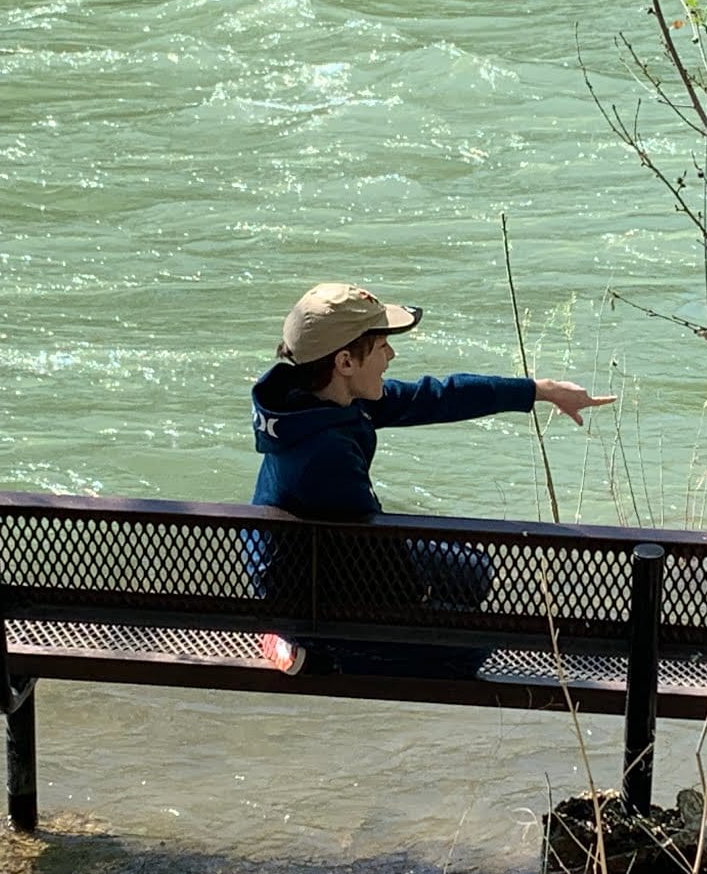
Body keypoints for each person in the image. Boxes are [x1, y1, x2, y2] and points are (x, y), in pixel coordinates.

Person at [247, 281, 614, 675]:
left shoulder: (314, 401)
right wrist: (428, 607)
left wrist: (537, 391)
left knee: (473, 574)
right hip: (311, 595)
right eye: (381, 346)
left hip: (311, 554)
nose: (391, 354)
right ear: (345, 363)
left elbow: (435, 396)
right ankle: (308, 650)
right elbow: (379, 566)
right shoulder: (325, 454)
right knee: (469, 647)